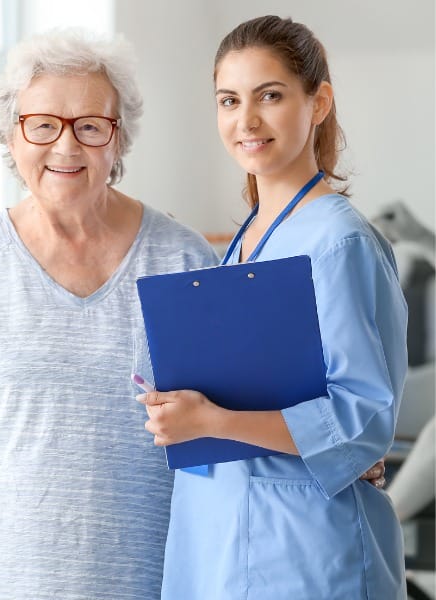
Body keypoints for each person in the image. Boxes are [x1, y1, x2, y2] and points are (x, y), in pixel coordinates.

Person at [0, 28, 220, 599]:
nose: (66, 148)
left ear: (118, 140)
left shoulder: (184, 258)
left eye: (91, 127)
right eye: (42, 124)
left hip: (139, 579)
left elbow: (223, 422)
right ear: (12, 137)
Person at [138, 15, 409, 599]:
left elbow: (361, 421)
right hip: (220, 537)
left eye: (270, 96)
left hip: (305, 551)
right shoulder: (245, 241)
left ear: (319, 103)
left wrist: (211, 422)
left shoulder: (339, 242)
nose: (246, 121)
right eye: (229, 100)